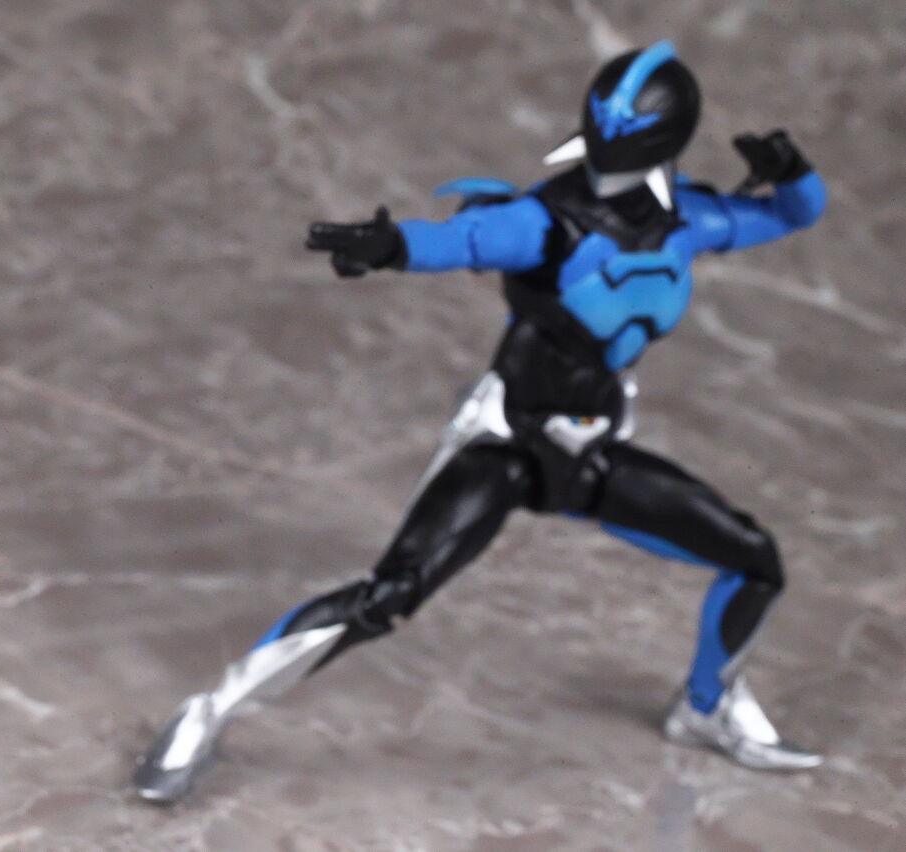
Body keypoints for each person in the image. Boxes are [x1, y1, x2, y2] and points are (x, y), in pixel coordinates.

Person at [133, 41, 827, 803]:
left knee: (754, 559)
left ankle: (705, 708)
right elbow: (460, 239)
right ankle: (208, 711)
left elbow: (790, 214)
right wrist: (390, 246)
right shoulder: (547, 223)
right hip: (507, 443)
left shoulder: (687, 220)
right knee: (391, 593)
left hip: (593, 449)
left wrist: (792, 170)